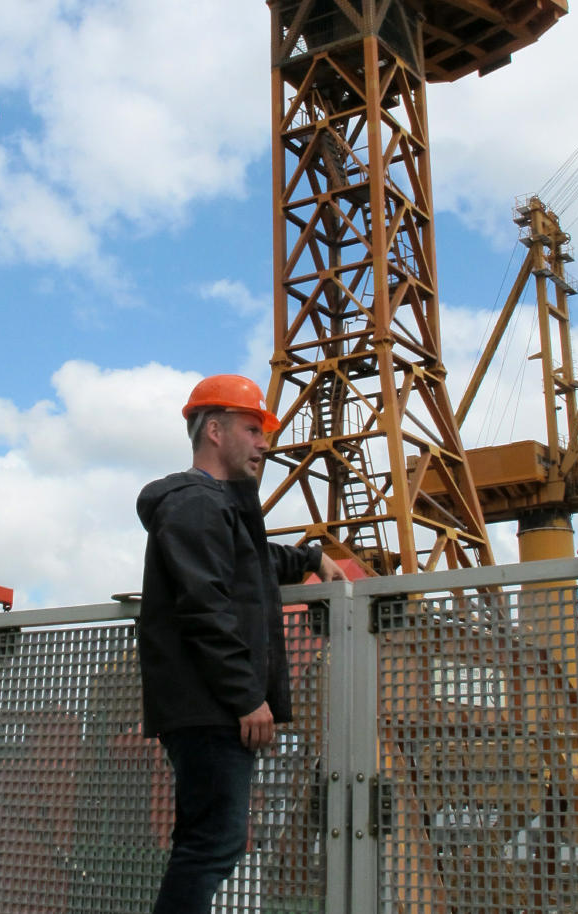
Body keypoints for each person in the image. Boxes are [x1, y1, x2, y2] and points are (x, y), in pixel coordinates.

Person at [136, 373, 347, 914]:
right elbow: (204, 609)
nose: (264, 443)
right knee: (213, 844)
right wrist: (246, 696)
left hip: (211, 707)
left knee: (211, 842)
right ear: (214, 429)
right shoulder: (195, 504)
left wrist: (310, 557)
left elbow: (250, 565)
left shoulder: (215, 507)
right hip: (211, 709)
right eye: (252, 429)